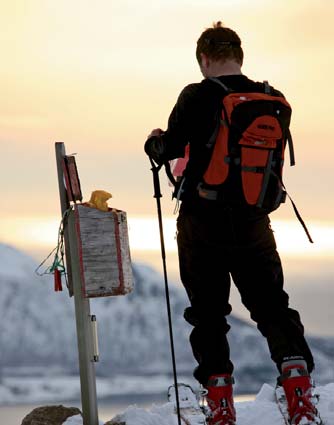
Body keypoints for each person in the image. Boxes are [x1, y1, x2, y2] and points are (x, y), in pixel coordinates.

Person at [144, 22, 320, 425]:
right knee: (273, 307)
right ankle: (299, 396)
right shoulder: (273, 99)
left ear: (204, 59)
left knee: (208, 314)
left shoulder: (197, 95)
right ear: (239, 57)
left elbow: (168, 148)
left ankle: (221, 404)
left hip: (202, 222)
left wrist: (153, 141)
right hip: (254, 222)